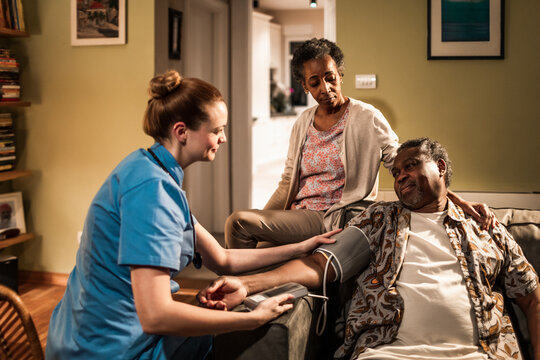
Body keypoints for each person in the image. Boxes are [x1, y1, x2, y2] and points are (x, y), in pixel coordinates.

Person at [45, 70, 338, 360]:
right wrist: (253, 319)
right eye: (217, 130)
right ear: (182, 132)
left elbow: (224, 259)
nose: (223, 139)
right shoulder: (152, 192)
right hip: (106, 348)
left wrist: (302, 246)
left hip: (90, 333)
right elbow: (156, 316)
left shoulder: (152, 168)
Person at [200, 138, 540, 360]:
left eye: (411, 166)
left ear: (441, 168)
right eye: (396, 172)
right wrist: (248, 284)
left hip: (479, 355)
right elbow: (320, 266)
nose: (401, 176)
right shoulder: (379, 218)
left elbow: (532, 299)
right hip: (386, 353)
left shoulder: (485, 227)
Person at [226, 38, 493, 250]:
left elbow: (404, 166)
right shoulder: (303, 122)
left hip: (331, 216)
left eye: (330, 77)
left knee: (237, 223)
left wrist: (456, 200)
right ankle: (246, 298)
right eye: (314, 82)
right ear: (305, 87)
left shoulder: (367, 116)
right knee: (254, 242)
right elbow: (287, 182)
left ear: (340, 75)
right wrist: (266, 219)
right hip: (298, 215)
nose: (325, 88)